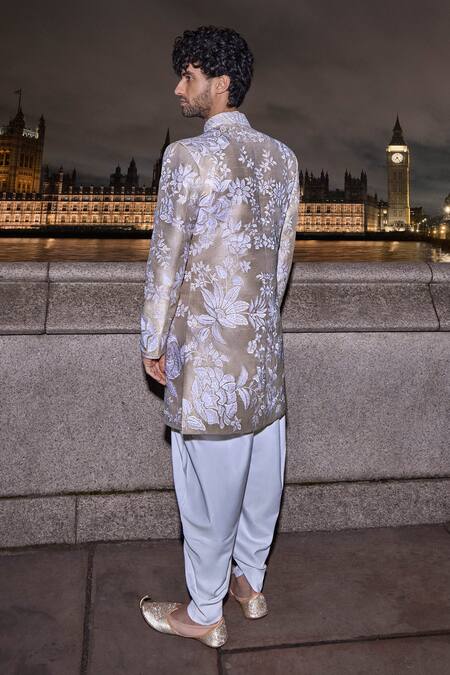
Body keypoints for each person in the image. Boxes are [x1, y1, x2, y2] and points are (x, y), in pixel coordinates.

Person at [139, 25, 300, 648]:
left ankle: (205, 612)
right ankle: (250, 584)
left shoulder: (186, 158)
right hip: (262, 356)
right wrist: (257, 327)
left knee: (206, 495)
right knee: (262, 481)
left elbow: (166, 261)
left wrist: (152, 341)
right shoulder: (284, 159)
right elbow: (280, 265)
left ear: (221, 82)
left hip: (206, 361)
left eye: (189, 75)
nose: (179, 88)